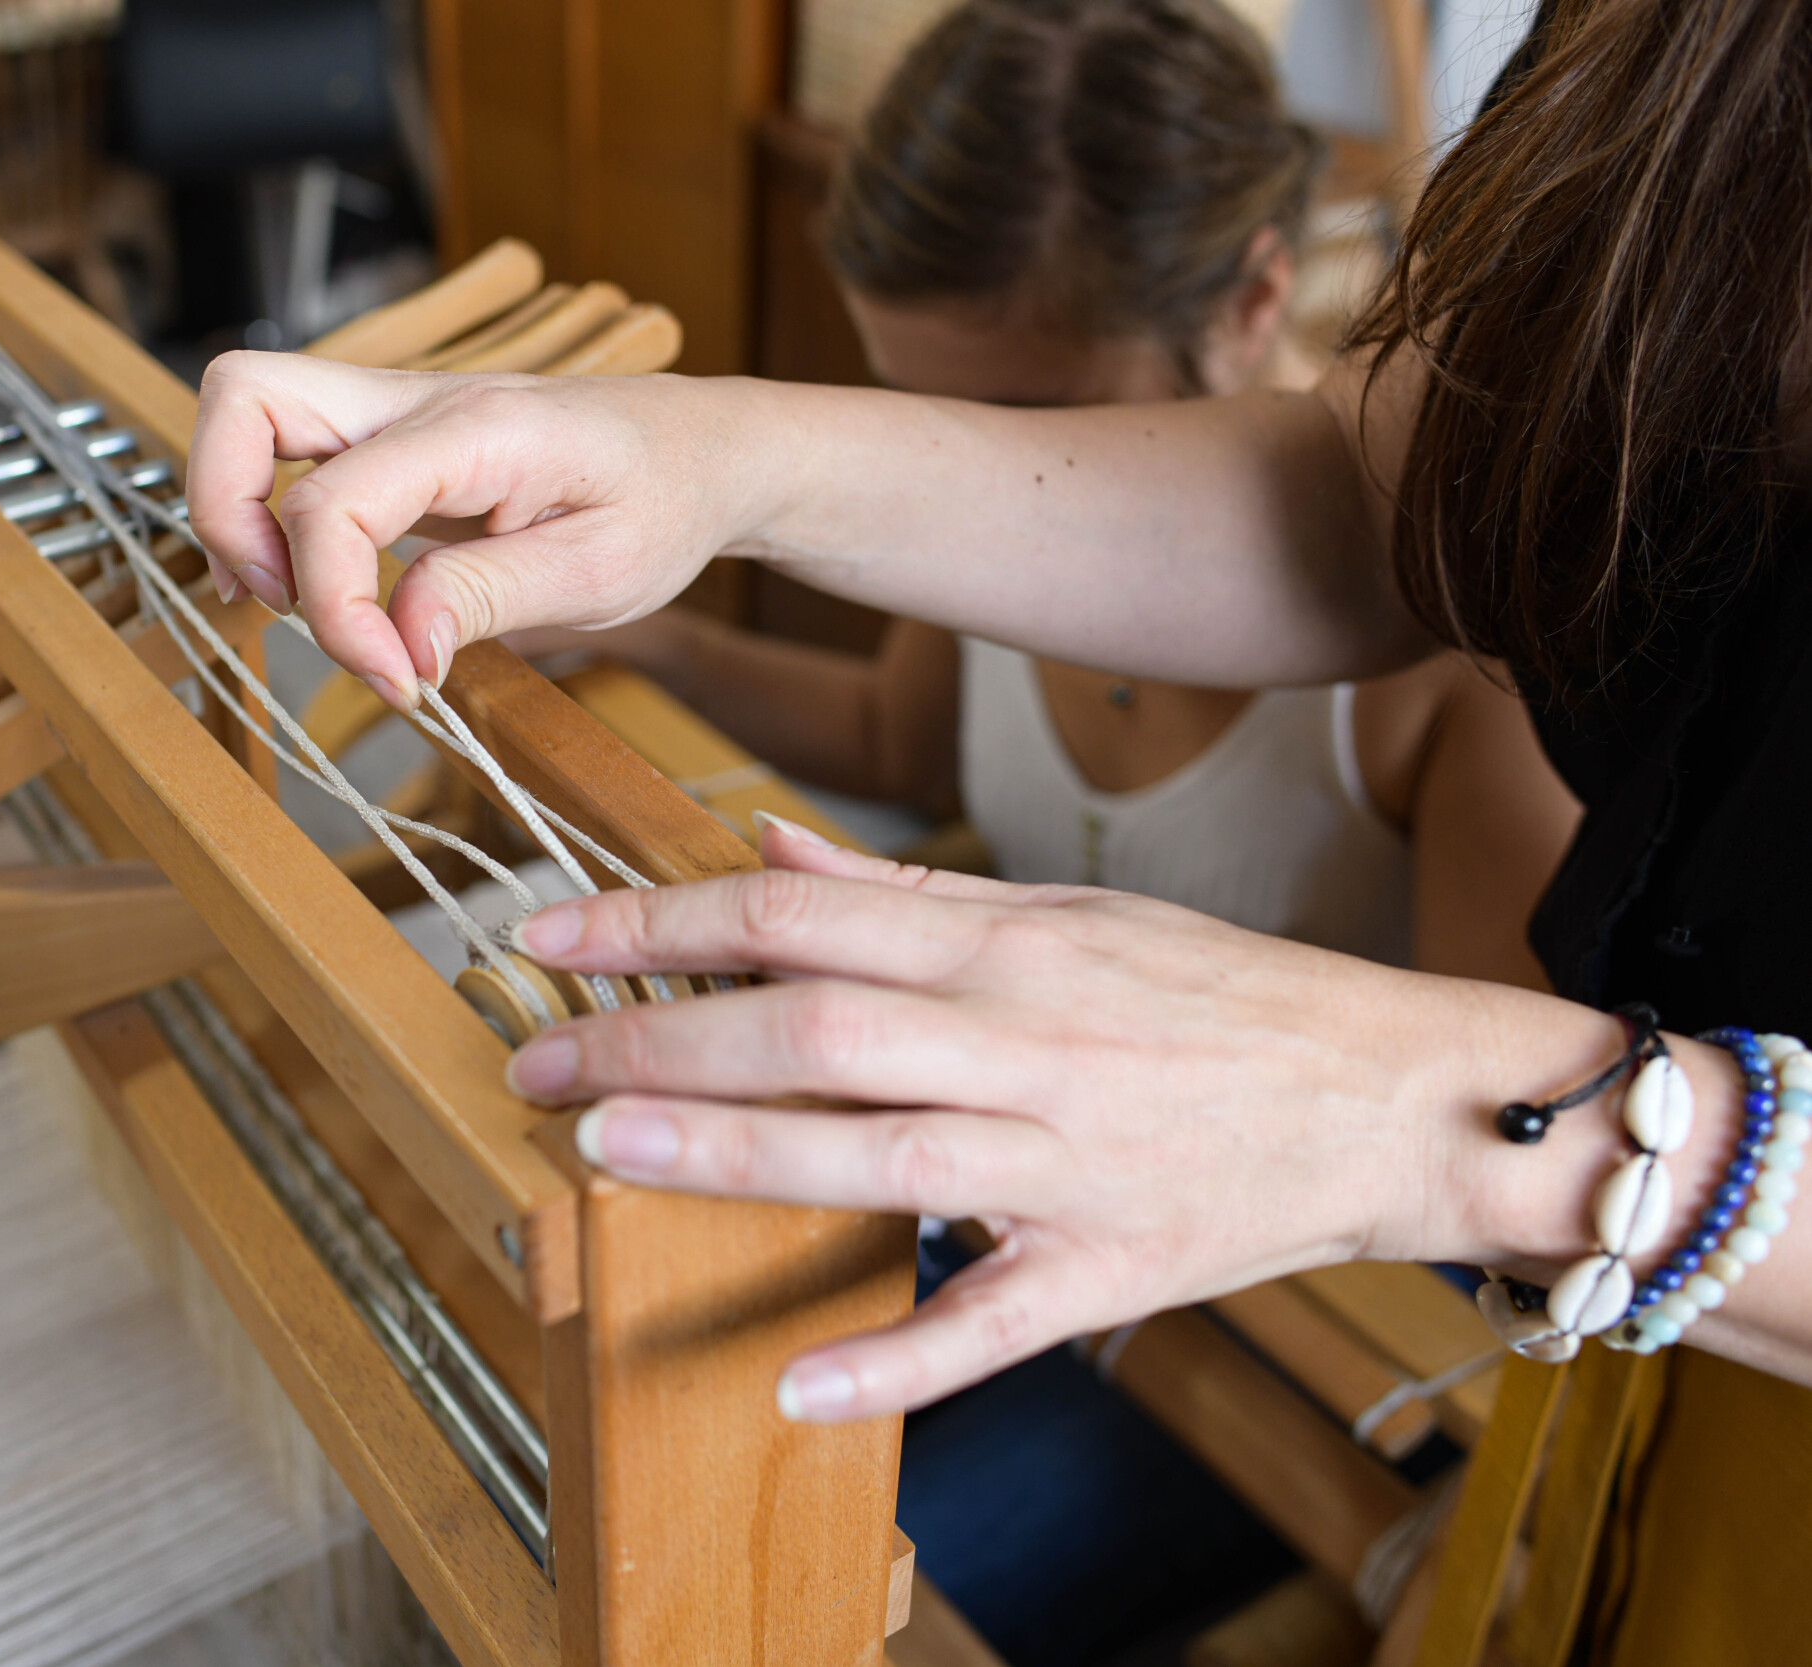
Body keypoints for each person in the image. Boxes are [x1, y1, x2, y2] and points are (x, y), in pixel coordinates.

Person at [187, 0, 1812, 1658]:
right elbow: (1405, 500)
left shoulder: (1446, 734)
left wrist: (1417, 1117)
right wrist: (716, 454)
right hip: (1632, 1362)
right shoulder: (1684, 56)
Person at [506, 7, 1577, 1653]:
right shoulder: (997, 527)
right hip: (1004, 1155)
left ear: (1255, 299)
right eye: (919, 423)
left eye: (1022, 424)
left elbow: (1495, 1182)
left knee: (813, 1572)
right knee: (607, 1424)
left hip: (1284, 1305)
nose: (968, 479)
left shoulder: (1448, 674)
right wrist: (652, 637)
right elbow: (894, 735)